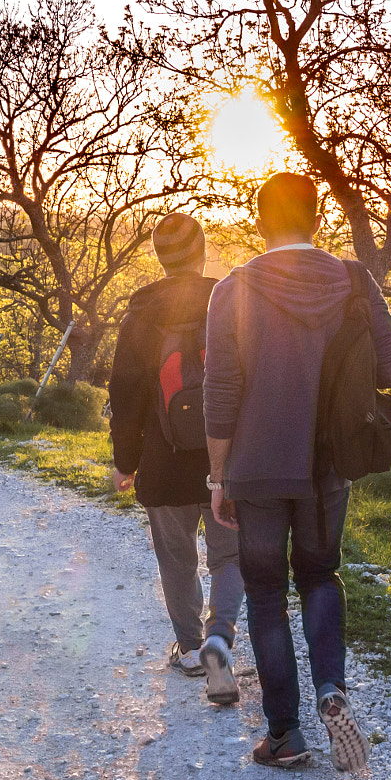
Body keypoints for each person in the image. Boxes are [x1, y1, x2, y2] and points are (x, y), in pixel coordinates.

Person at [203, 173, 391, 770]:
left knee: (265, 595)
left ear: (259, 219)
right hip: (326, 468)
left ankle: (285, 735)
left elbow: (220, 394)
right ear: (317, 217)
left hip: (256, 468)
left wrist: (219, 478)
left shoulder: (233, 290)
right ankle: (331, 690)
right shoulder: (353, 280)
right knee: (320, 576)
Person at [109, 212, 245, 704]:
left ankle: (190, 648)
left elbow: (125, 396)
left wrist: (126, 461)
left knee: (177, 558)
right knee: (230, 556)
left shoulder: (140, 317)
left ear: (161, 259)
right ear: (202, 251)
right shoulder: (230, 302)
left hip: (163, 463)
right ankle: (220, 637)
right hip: (225, 461)